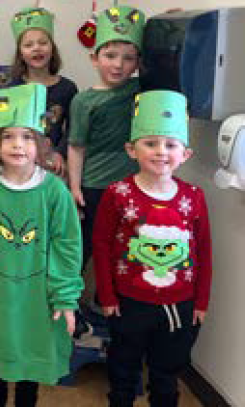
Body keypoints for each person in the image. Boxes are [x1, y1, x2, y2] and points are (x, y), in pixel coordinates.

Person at [0, 83, 83, 407]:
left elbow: (67, 247)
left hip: (36, 299)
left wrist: (65, 298)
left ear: (42, 144)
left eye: (27, 137)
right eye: (8, 136)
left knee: (29, 365)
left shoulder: (54, 191)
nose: (17, 145)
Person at [93, 90, 212, 407]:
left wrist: (201, 300)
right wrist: (106, 295)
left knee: (165, 378)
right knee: (122, 374)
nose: (161, 152)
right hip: (128, 303)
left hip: (178, 306)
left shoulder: (194, 196)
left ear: (184, 154)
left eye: (170, 145)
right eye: (150, 143)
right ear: (131, 149)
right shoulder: (116, 193)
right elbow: (102, 246)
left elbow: (203, 251)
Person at [68, 6, 147, 266]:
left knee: (125, 248)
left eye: (128, 58)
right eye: (110, 55)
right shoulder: (83, 101)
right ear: (94, 58)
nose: (118, 65)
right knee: (86, 245)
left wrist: (163, 32)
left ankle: (108, 304)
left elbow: (168, 66)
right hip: (95, 186)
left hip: (133, 185)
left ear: (138, 63)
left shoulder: (140, 89)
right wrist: (75, 187)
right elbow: (76, 147)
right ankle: (66, 303)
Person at [8, 7, 77, 177]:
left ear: (52, 48)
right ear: (21, 54)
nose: (36, 48)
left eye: (43, 43)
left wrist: (59, 153)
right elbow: (3, 128)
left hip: (52, 164)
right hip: (19, 162)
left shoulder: (67, 88)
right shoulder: (12, 88)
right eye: (28, 45)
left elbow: (72, 128)